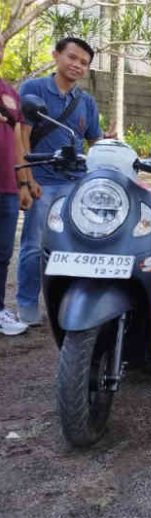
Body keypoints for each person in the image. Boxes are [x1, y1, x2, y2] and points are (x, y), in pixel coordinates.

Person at [16, 37, 107, 326]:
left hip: (76, 185)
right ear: (56, 56)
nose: (77, 65)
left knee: (74, 248)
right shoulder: (34, 90)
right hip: (42, 181)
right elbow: (22, 138)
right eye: (72, 57)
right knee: (33, 246)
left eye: (84, 62)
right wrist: (27, 181)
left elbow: (96, 141)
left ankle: (68, 306)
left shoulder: (85, 102)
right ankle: (27, 305)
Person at [0, 78, 30, 335]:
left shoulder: (10, 92)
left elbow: (19, 139)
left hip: (7, 186)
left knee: (2, 254)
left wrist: (23, 183)